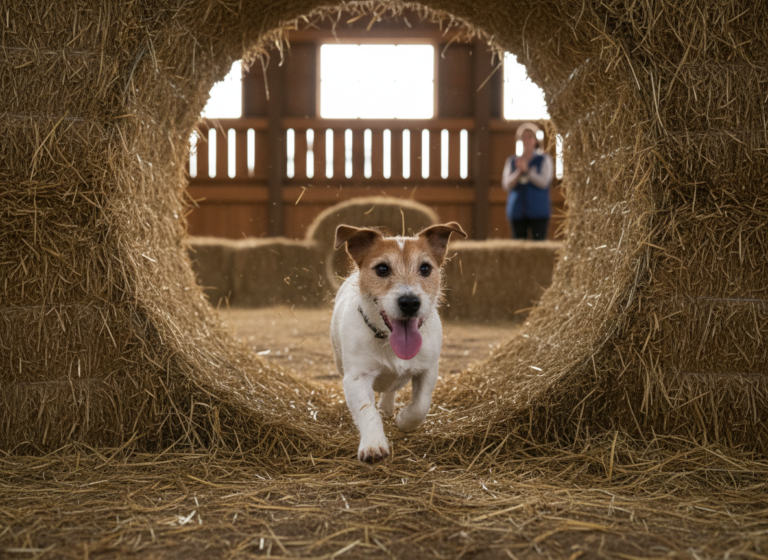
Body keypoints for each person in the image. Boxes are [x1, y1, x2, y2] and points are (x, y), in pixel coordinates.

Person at [501, 122, 554, 240]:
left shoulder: (544, 160)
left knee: (538, 247)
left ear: (535, 140)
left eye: (530, 137)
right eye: (524, 137)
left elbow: (544, 182)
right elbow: (506, 184)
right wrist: (519, 172)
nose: (527, 140)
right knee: (519, 249)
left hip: (539, 211)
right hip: (517, 211)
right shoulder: (512, 161)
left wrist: (528, 171)